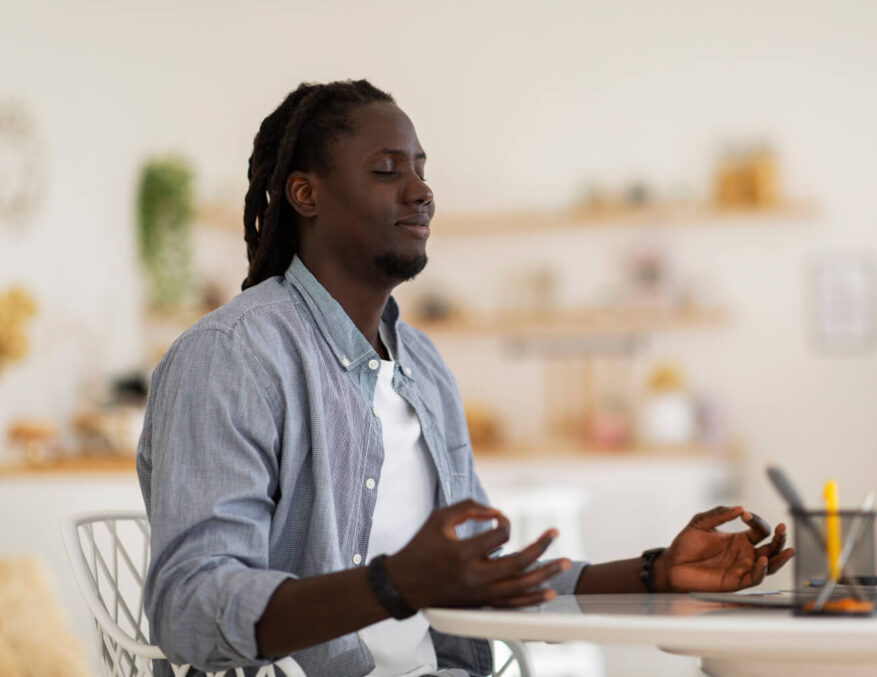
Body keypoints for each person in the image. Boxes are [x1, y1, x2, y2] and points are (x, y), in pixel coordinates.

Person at [137, 79, 794, 677]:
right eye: (386, 170)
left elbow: (483, 575)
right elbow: (190, 607)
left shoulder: (422, 365)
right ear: (305, 192)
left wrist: (654, 572)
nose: (420, 190)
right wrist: (393, 584)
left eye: (422, 171)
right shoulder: (231, 356)